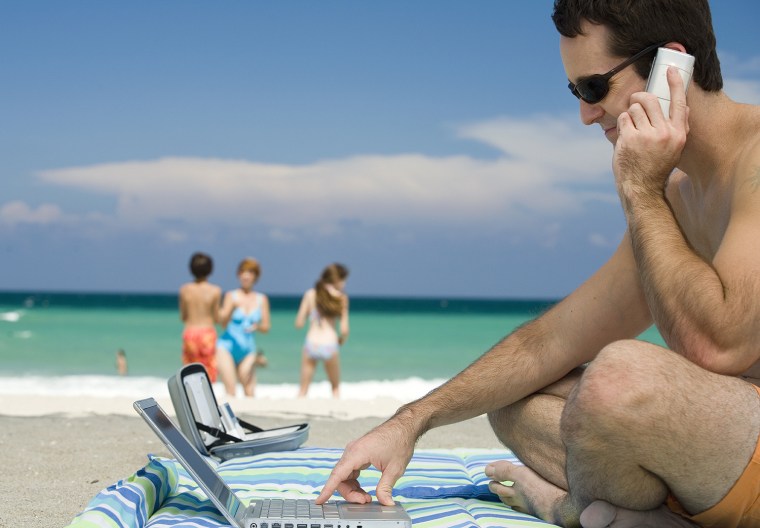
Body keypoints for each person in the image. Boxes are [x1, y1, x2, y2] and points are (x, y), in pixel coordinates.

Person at [317, 1, 760, 527]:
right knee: (514, 395)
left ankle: (576, 509)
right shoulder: (679, 193)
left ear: (672, 67)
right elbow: (548, 342)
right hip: (719, 456)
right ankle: (634, 515)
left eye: (594, 88)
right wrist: (410, 422)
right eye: (576, 92)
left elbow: (718, 346)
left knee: (620, 375)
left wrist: (640, 190)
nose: (585, 114)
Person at [216, 257, 271, 397]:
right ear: (238, 274)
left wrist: (256, 327)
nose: (246, 276)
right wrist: (231, 309)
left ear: (255, 276)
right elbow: (222, 323)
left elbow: (266, 327)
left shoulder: (261, 299)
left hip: (248, 349)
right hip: (227, 347)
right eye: (243, 272)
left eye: (250, 272)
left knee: (250, 391)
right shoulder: (231, 296)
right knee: (231, 391)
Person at [294, 263, 350, 398]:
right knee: (335, 388)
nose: (345, 284)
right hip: (330, 344)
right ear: (337, 280)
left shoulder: (310, 294)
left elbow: (299, 323)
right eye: (344, 280)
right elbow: (344, 329)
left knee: (303, 390)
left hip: (311, 343)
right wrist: (341, 340)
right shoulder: (341, 298)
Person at [179, 252, 222, 381]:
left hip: (190, 332)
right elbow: (216, 318)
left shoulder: (185, 289)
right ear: (210, 269)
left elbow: (183, 316)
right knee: (208, 373)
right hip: (207, 333)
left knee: (190, 373)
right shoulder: (215, 290)